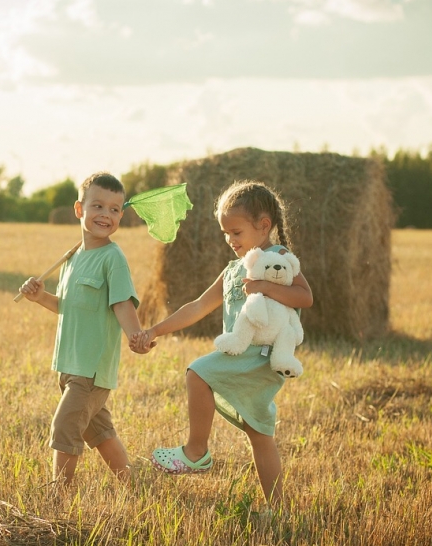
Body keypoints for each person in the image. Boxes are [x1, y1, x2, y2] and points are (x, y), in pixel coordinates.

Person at [130, 180, 313, 507]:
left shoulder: (277, 257)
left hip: (261, 356)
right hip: (245, 355)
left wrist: (262, 287)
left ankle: (196, 452)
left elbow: (305, 296)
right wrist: (155, 330)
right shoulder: (232, 270)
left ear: (264, 226)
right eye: (225, 233)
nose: (230, 240)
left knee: (198, 373)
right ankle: (278, 509)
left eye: (236, 232)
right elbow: (198, 306)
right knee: (260, 435)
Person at [18, 172, 150, 486]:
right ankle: (131, 484)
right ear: (80, 209)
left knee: (65, 426)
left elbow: (122, 304)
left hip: (91, 369)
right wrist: (40, 298)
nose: (106, 214)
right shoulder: (72, 257)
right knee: (99, 431)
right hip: (68, 364)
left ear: (121, 215)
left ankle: (58, 497)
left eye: (115, 209)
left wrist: (136, 335)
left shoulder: (112, 258)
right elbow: (67, 305)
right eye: (98, 206)